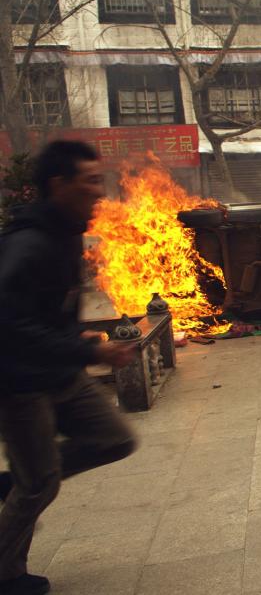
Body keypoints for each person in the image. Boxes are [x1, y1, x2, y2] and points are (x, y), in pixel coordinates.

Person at [0, 141, 138, 595]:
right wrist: (88, 352)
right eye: (91, 181)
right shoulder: (27, 244)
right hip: (19, 381)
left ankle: (20, 478)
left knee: (115, 439)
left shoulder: (66, 230)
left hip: (58, 369)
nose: (100, 191)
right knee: (39, 486)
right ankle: (7, 573)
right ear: (58, 185)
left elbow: (46, 309)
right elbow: (9, 323)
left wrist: (71, 338)